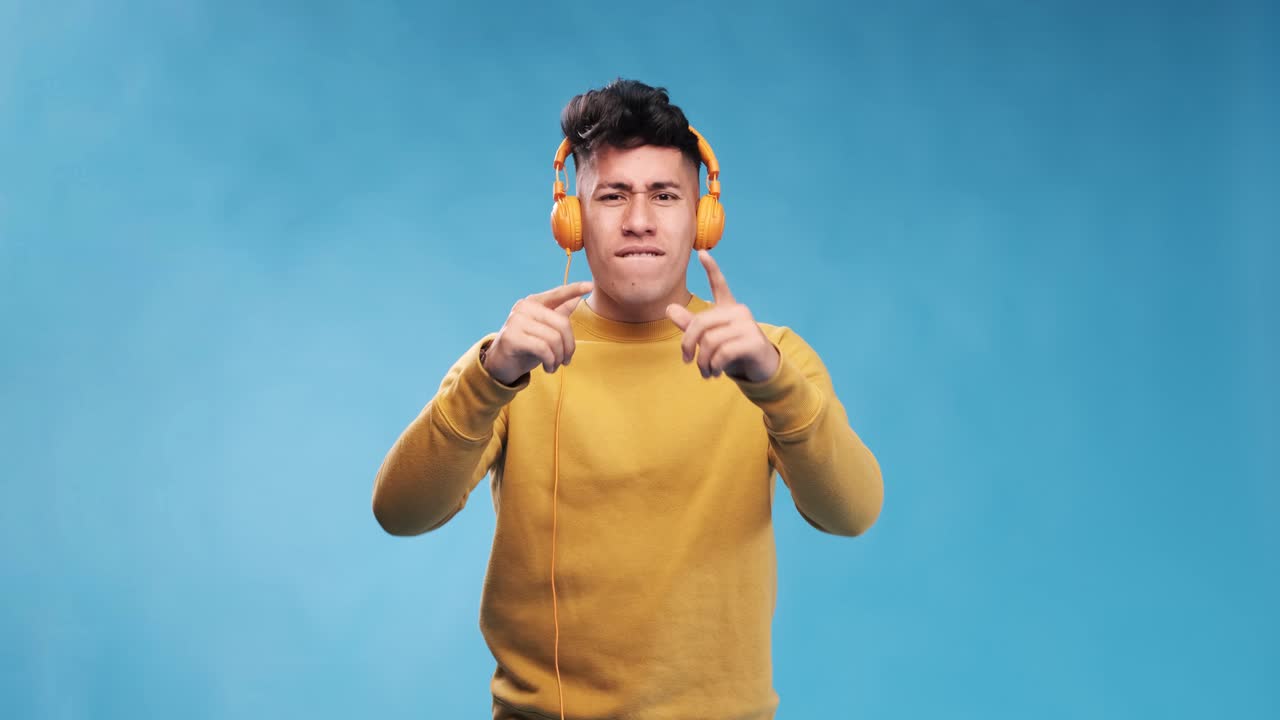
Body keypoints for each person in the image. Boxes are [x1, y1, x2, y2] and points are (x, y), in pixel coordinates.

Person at [371, 78, 884, 720]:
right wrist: (490, 377)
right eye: (612, 196)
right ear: (572, 218)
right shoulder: (511, 357)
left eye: (664, 195)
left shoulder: (771, 357)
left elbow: (854, 513)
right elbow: (400, 512)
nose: (639, 220)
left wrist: (771, 382)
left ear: (701, 217)